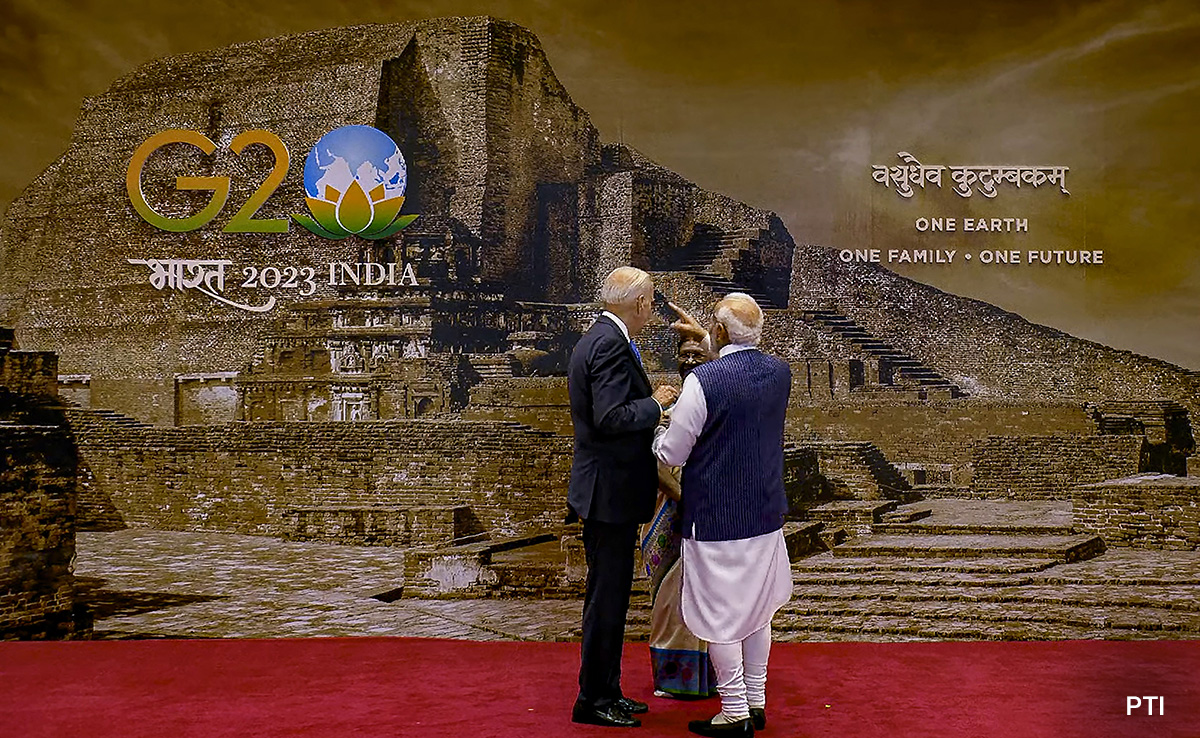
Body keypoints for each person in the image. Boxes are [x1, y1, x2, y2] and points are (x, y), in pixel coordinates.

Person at [654, 293, 793, 737]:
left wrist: (655, 438)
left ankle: (733, 710)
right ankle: (756, 701)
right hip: (765, 513)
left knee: (720, 617)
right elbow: (740, 377)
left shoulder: (703, 381)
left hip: (716, 517)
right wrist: (710, 338)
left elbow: (674, 450)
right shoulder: (779, 374)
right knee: (757, 613)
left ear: (717, 333)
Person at [568, 266, 680, 728]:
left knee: (611, 597)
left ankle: (608, 690)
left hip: (607, 492)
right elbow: (611, 416)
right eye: (651, 301)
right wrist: (658, 402)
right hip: (607, 494)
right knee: (607, 599)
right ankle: (593, 700)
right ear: (637, 303)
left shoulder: (599, 338)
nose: (652, 309)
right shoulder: (610, 344)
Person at [640, 337, 719, 701]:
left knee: (705, 593)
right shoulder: (664, 408)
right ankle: (674, 679)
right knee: (669, 597)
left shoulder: (715, 404)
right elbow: (654, 462)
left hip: (704, 511)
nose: (689, 360)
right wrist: (682, 497)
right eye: (684, 355)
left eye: (697, 355)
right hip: (666, 512)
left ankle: (707, 677)